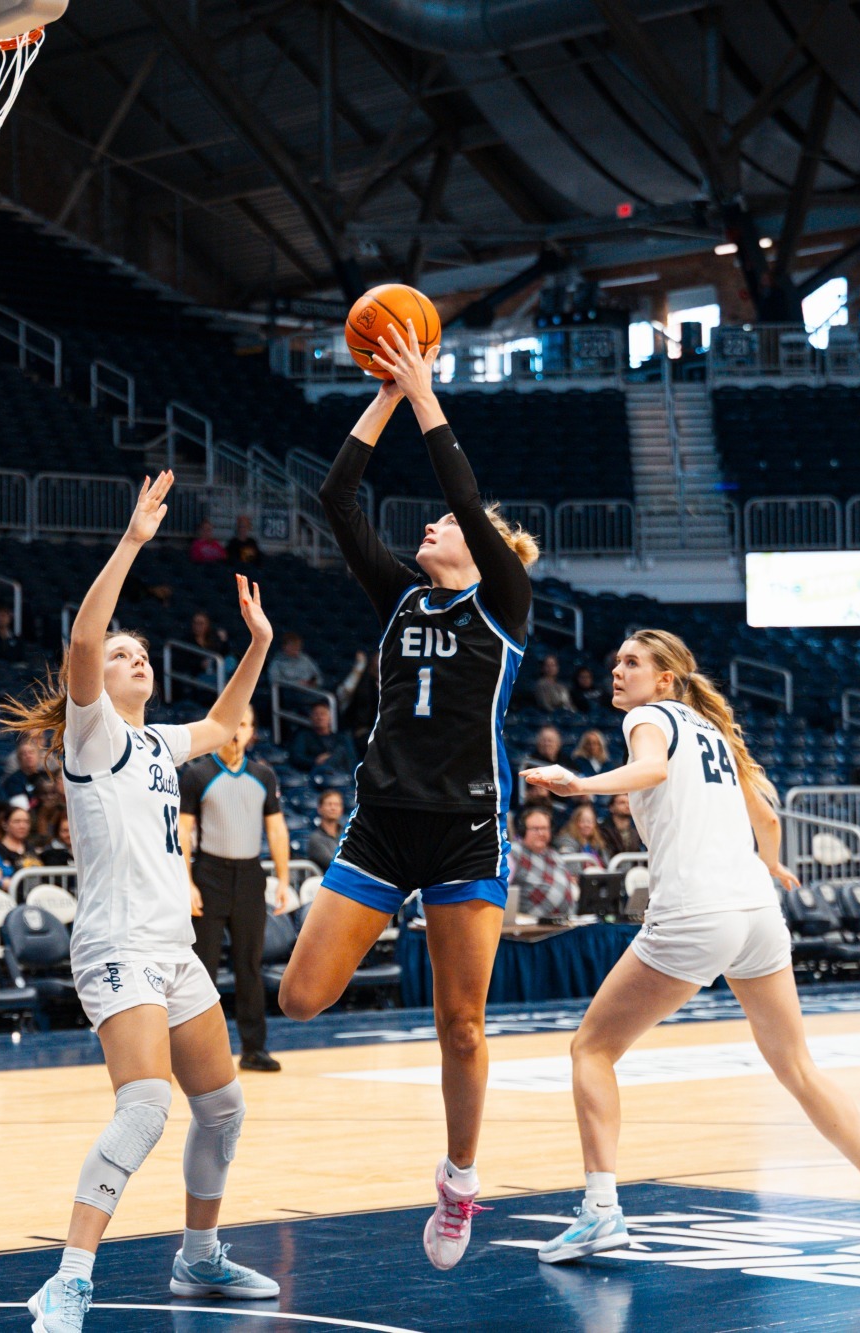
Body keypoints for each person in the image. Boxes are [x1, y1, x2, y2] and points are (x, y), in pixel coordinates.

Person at [520, 631, 860, 1260]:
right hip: (757, 913)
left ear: (664, 680)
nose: (618, 671)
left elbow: (652, 768)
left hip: (696, 912)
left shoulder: (649, 719)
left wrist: (579, 785)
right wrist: (772, 865)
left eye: (632, 661)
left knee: (592, 1049)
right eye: (616, 660)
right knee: (797, 1066)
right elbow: (768, 818)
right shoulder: (714, 732)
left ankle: (602, 1211)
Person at [276, 326, 541, 1272]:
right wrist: (387, 393)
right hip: (383, 825)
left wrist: (430, 392)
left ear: (479, 549)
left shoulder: (502, 604)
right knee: (300, 999)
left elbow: (465, 497)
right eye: (429, 524)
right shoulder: (399, 600)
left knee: (461, 1025)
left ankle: (460, 1182)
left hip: (468, 832)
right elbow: (335, 497)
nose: (428, 525)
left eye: (444, 526)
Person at [2, 471, 279, 1331]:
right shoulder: (93, 734)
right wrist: (129, 542)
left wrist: (258, 645)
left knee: (224, 1106)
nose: (136, 660)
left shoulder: (160, 741)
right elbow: (85, 639)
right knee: (146, 1104)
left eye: (143, 654)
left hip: (170, 946)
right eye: (126, 656)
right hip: (116, 944)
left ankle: (199, 1257)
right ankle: (70, 1276)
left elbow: (229, 723)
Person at [179, 705, 294, 1074]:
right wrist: (188, 882)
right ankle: (196, 1054)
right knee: (203, 970)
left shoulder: (263, 775)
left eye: (243, 724)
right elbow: (182, 831)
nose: (236, 731)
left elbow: (276, 829)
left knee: (250, 967)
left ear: (252, 732)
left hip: (249, 876)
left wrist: (284, 879)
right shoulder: (198, 774)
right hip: (209, 874)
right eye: (232, 724)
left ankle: (253, 1049)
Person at [506, 806, 576, 918]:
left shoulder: (555, 855)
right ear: (523, 831)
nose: (541, 833)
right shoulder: (513, 853)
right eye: (535, 829)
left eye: (544, 828)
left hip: (563, 922)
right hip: (529, 926)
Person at [286, 701, 356, 773]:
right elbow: (296, 757)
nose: (319, 717)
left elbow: (351, 759)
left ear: (330, 718)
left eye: (323, 714)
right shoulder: (303, 736)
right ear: (311, 717)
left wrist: (330, 758)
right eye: (316, 714)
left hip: (340, 776)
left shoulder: (343, 738)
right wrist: (315, 761)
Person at [5, 738, 57, 810]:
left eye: (31, 752)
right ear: (19, 759)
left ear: (39, 756)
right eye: (24, 754)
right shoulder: (13, 781)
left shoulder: (48, 776)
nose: (28, 756)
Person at [0, 804, 46, 871]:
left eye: (27, 822)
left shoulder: (31, 848)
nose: (22, 826)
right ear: (5, 824)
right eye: (17, 822)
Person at [304, 789, 346, 871]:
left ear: (341, 810)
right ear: (320, 809)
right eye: (329, 804)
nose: (333, 808)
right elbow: (332, 862)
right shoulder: (315, 839)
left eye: (337, 804)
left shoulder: (347, 835)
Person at [601, 790, 644, 856]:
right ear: (611, 807)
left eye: (628, 803)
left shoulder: (637, 831)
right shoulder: (603, 831)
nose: (627, 806)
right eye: (622, 803)